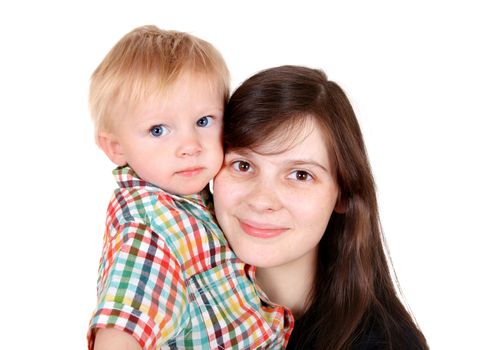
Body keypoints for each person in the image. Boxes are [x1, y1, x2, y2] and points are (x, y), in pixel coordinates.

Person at [87, 26, 292, 350]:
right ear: (116, 148)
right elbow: (120, 330)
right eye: (158, 130)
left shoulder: (192, 199)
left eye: (203, 121)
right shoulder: (149, 228)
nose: (190, 146)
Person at [213, 65, 429, 349]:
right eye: (243, 165)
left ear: (343, 194)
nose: (262, 199)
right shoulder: (162, 308)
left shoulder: (384, 343)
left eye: (301, 175)